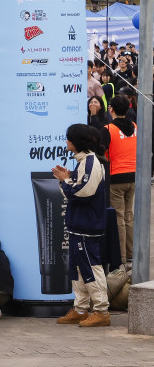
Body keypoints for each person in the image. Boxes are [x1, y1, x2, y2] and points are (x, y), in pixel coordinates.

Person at [54, 124, 112, 328]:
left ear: (77, 142)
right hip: (79, 224)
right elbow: (78, 188)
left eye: (68, 138)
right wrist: (68, 178)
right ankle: (80, 308)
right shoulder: (83, 162)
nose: (66, 141)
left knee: (90, 267)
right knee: (78, 268)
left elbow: (82, 193)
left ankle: (101, 311)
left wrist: (64, 181)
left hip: (87, 225)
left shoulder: (90, 162)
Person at [104, 96, 136, 263]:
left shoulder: (108, 129)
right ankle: (131, 254)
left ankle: (121, 258)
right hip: (133, 175)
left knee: (118, 217)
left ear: (111, 109)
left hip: (115, 177)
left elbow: (102, 153)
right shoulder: (135, 127)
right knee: (128, 216)